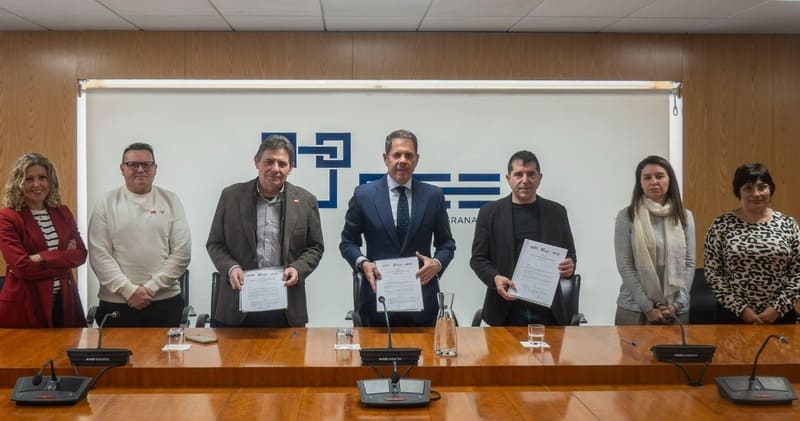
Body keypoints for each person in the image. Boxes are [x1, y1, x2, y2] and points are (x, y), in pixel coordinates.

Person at [340, 129, 456, 327]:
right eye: (397, 155)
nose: (403, 160)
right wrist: (363, 263)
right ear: (386, 158)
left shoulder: (433, 196)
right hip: (377, 302)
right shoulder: (364, 195)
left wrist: (437, 263)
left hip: (423, 303)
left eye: (408, 155)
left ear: (417, 159)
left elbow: (447, 244)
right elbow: (348, 243)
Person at [207, 135, 324, 327]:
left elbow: (315, 247)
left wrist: (298, 268)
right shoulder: (231, 196)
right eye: (269, 161)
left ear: (290, 168)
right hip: (237, 305)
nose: (275, 169)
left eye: (282, 163)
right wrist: (231, 268)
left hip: (286, 308)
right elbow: (215, 243)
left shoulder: (305, 200)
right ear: (257, 162)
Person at [89, 142, 191, 327]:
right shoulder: (106, 202)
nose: (140, 170)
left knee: (166, 348)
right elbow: (99, 254)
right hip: (117, 302)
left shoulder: (171, 200)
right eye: (133, 165)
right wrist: (129, 291)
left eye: (146, 165)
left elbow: (182, 252)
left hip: (164, 301)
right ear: (122, 169)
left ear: (155, 168)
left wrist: (151, 288)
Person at [470, 150, 576, 326]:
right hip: (504, 310)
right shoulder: (489, 213)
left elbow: (570, 255)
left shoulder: (556, 212)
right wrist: (495, 278)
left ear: (540, 178)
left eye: (531, 174)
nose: (525, 180)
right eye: (518, 174)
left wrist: (569, 267)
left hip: (548, 312)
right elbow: (478, 259)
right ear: (508, 178)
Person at [704, 163, 799, 324]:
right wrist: (741, 309)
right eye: (748, 188)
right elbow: (713, 273)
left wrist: (777, 308)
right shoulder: (720, 225)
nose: (756, 194)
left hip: (780, 315)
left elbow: (798, 273)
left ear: (770, 189)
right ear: (738, 192)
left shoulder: (788, 224)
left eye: (762, 187)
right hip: (732, 314)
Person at [0, 153, 87, 328]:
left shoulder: (62, 212)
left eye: (42, 178)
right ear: (18, 183)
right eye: (29, 179)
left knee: (69, 345)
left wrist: (41, 257)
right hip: (27, 302)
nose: (37, 184)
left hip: (64, 300)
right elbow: (22, 267)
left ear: (50, 181)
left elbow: (80, 255)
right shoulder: (7, 217)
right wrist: (64, 259)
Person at [613, 156, 695, 325]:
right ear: (640, 183)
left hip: (676, 309)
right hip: (634, 309)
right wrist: (648, 308)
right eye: (647, 177)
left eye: (659, 176)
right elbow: (625, 266)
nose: (654, 182)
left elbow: (689, 263)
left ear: (669, 180)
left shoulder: (684, 216)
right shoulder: (627, 216)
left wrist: (677, 305)